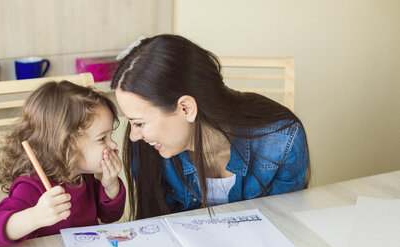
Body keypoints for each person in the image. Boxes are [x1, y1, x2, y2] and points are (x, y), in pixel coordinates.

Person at [111, 34, 309, 220]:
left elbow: (284, 225)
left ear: (186, 108)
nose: (133, 136)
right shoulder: (150, 149)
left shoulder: (283, 139)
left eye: (139, 123)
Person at [0, 81, 126, 247]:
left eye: (110, 136)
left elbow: (110, 217)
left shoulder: (84, 178)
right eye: (102, 138)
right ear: (65, 145)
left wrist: (111, 186)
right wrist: (34, 216)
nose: (113, 145)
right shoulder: (31, 188)